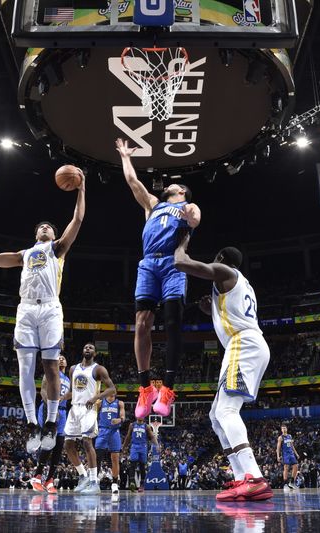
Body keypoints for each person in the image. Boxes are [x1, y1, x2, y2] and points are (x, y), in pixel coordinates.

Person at [0, 172, 85, 453]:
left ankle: (52, 421)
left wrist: (82, 189)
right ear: (35, 234)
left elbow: (78, 220)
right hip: (25, 308)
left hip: (49, 308)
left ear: (53, 234)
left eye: (49, 227)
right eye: (41, 227)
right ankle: (33, 423)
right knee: (24, 368)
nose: (45, 228)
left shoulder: (57, 249)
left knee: (50, 366)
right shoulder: (24, 254)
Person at [173, 233, 273, 502]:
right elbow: (233, 312)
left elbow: (182, 263)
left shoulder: (224, 270)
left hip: (244, 344)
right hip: (246, 344)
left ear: (221, 259)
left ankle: (254, 476)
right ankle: (242, 477)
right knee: (216, 416)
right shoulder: (239, 284)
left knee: (227, 410)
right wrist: (211, 310)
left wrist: (182, 243)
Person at [115, 138, 201, 419]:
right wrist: (126, 156)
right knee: (141, 324)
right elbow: (131, 181)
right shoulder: (152, 205)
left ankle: (167, 388)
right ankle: (145, 388)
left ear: (181, 191)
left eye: (172, 187)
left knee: (173, 322)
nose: (166, 187)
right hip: (148, 264)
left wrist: (189, 213)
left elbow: (196, 219)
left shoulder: (189, 205)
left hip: (173, 264)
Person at [63, 343, 118, 494]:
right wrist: (59, 399)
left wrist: (95, 398)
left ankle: (94, 482)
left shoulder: (99, 369)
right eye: (85, 347)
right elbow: (72, 392)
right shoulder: (73, 369)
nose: (87, 349)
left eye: (91, 348)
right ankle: (83, 476)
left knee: (87, 442)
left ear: (94, 353)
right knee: (67, 444)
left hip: (89, 409)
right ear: (82, 350)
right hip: (75, 407)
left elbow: (112, 388)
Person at [31, 355, 71, 494]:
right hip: (48, 408)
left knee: (59, 446)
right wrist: (51, 407)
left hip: (63, 412)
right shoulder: (50, 372)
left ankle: (50, 480)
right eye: (58, 357)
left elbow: (71, 395)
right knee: (49, 443)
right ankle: (37, 477)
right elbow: (42, 390)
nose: (61, 359)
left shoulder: (68, 379)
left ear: (66, 362)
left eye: (63, 358)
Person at [95, 392, 125, 497]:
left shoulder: (119, 403)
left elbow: (123, 417)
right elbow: (93, 415)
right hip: (102, 430)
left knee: (115, 458)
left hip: (114, 431)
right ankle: (94, 481)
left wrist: (119, 420)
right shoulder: (100, 402)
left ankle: (115, 483)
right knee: (97, 457)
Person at [123, 417, 158, 492]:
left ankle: (142, 485)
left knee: (142, 466)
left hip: (143, 446)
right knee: (132, 463)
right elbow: (128, 437)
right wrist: (123, 447)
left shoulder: (147, 426)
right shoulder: (132, 425)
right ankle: (132, 482)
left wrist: (157, 445)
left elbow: (152, 437)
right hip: (134, 446)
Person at [276, 423, 300, 490]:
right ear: (281, 430)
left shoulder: (290, 436)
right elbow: (278, 448)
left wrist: (296, 453)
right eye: (282, 428)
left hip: (291, 454)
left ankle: (292, 482)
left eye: (285, 428)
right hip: (285, 454)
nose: (284, 429)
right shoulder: (280, 438)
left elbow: (292, 446)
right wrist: (278, 456)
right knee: (286, 468)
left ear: (287, 429)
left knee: (296, 466)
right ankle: (285, 484)